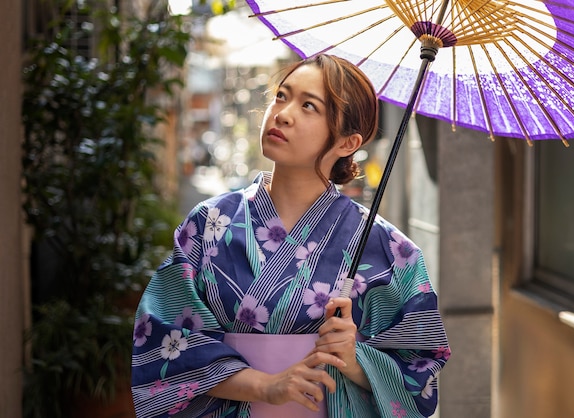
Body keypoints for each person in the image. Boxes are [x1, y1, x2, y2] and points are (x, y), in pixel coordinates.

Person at [131, 54, 450, 418]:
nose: (282, 113)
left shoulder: (390, 250)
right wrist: (265, 386)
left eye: (308, 106)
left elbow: (421, 372)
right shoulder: (208, 224)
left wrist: (355, 360)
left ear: (348, 142)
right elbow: (163, 340)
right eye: (282, 96)